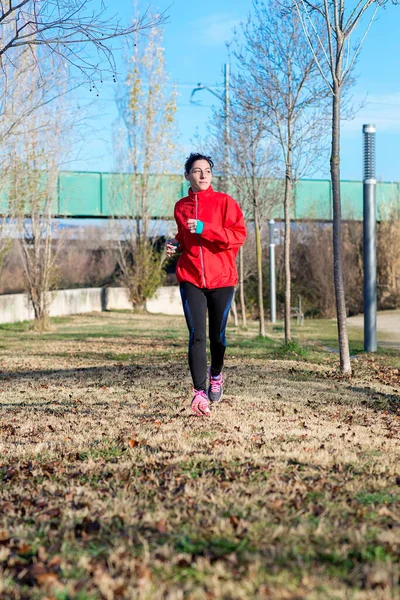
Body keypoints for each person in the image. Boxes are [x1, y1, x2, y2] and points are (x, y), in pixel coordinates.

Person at [166, 153, 246, 417]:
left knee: (217, 338)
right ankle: (199, 393)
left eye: (207, 171)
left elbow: (238, 236)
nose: (203, 175)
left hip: (222, 278)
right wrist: (176, 244)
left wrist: (204, 228)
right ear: (187, 175)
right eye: (197, 171)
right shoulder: (180, 207)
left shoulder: (225, 203)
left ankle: (216, 374)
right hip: (191, 278)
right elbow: (184, 236)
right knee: (197, 336)